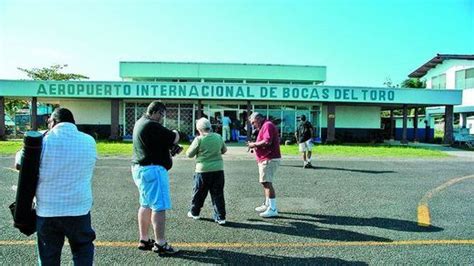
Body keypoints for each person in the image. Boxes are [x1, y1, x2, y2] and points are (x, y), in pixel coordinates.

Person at [18, 108, 97, 265]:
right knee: (82, 249)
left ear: (52, 122)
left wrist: (41, 136)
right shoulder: (89, 141)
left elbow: (20, 163)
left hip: (48, 209)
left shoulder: (43, 141)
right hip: (79, 209)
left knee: (49, 256)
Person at [131, 101, 180, 255]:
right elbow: (174, 137)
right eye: (161, 114)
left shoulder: (140, 123)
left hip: (140, 168)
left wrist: (167, 149)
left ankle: (144, 239)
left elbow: (155, 143)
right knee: (159, 206)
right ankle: (160, 243)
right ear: (156, 112)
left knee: (145, 204)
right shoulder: (151, 125)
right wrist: (175, 133)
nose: (162, 118)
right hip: (153, 170)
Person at [186, 118, 227, 225]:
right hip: (218, 169)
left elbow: (189, 154)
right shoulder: (218, 137)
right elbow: (224, 150)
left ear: (199, 129)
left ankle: (195, 212)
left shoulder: (199, 139)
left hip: (203, 170)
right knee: (218, 194)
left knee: (199, 193)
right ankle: (220, 217)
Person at [247, 112, 281, 218]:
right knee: (265, 183)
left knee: (267, 183)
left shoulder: (267, 125)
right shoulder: (265, 125)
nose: (253, 125)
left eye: (253, 122)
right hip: (266, 158)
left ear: (259, 118)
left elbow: (267, 141)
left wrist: (254, 144)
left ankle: (273, 208)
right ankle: (267, 204)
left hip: (269, 158)